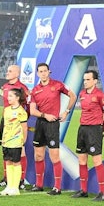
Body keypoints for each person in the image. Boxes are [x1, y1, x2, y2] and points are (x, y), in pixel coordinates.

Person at [28, 62, 75, 195]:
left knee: (54, 156)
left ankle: (57, 187)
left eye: (45, 71)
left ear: (49, 72)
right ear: (37, 74)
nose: (43, 73)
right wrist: (45, 115)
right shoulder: (35, 90)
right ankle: (39, 185)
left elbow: (73, 96)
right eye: (40, 71)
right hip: (40, 124)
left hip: (52, 125)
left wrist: (66, 112)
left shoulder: (58, 85)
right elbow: (32, 111)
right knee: (38, 156)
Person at [73, 69, 104, 200]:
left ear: (95, 81)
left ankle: (102, 193)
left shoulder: (100, 95)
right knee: (82, 159)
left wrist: (101, 128)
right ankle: (83, 190)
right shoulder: (82, 93)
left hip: (94, 130)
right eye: (84, 79)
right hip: (82, 129)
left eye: (88, 79)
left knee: (96, 161)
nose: (85, 82)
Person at [0, 64, 30, 188]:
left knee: (21, 151)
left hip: (17, 122)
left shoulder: (22, 88)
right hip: (5, 120)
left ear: (17, 73)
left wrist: (23, 119)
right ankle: (6, 178)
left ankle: (21, 180)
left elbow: (27, 105)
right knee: (5, 149)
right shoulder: (4, 87)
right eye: (7, 70)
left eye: (10, 71)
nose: (7, 73)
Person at [0, 87, 29, 196]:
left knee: (16, 162)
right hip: (6, 141)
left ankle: (15, 187)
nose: (8, 98)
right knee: (8, 162)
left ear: (17, 98)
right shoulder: (6, 110)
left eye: (11, 96)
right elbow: (5, 126)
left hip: (16, 141)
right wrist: (2, 139)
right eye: (8, 96)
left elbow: (24, 127)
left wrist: (23, 141)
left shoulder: (21, 112)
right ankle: (9, 186)